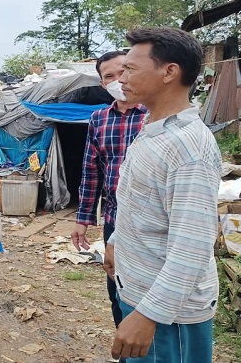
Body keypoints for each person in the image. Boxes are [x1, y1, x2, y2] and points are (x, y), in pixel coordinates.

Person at [104, 27, 221, 362]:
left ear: (169, 72)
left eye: (130, 69)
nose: (121, 78)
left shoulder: (189, 148)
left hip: (169, 315)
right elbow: (141, 203)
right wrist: (115, 242)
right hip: (141, 293)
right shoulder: (154, 129)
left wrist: (148, 315)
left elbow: (193, 246)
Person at [71, 50, 146, 328]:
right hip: (114, 220)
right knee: (117, 288)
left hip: (150, 221)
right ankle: (125, 342)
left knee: (148, 292)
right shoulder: (99, 119)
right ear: (103, 84)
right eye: (109, 76)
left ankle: (152, 347)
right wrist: (83, 219)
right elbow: (92, 171)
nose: (118, 80)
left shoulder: (155, 114)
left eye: (123, 72)